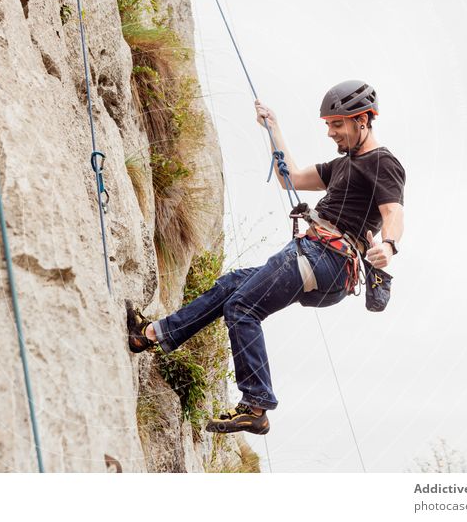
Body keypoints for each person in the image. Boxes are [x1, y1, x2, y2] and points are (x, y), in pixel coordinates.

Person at [126, 80, 406, 435]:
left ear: (363, 120)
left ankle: (256, 405)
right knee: (232, 286)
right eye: (328, 125)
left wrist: (390, 245)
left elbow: (393, 210)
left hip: (327, 256)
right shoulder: (341, 166)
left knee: (243, 307)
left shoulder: (384, 163)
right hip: (320, 259)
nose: (331, 132)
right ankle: (151, 335)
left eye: (338, 124)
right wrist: (272, 128)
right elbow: (289, 179)